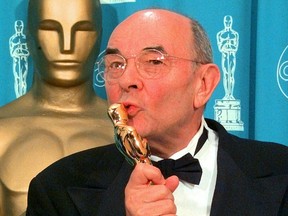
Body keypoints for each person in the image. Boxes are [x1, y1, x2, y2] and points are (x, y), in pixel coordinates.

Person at [26, 8, 288, 215]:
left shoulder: (280, 172)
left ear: (203, 84)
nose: (126, 79)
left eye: (152, 61)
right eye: (115, 64)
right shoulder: (58, 187)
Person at [0, 0, 114, 215]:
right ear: (28, 34)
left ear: (99, 35)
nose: (67, 46)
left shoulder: (132, 132)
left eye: (82, 30)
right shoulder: (2, 131)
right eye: (50, 29)